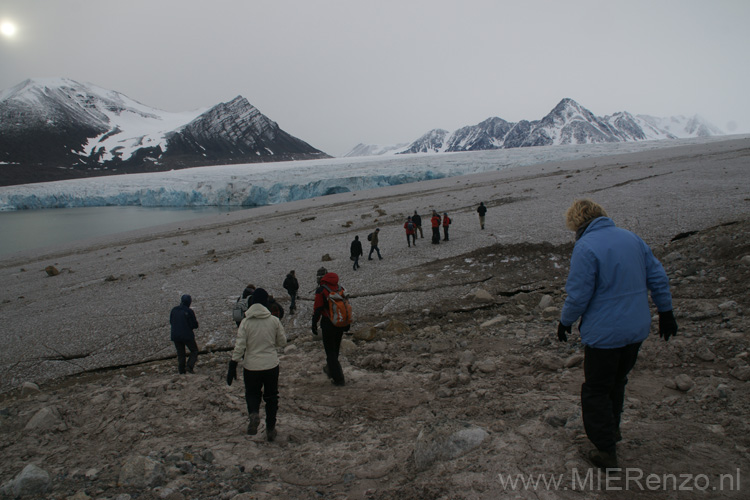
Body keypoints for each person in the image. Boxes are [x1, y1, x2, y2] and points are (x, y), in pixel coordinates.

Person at [557, 199, 677, 471]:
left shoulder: (585, 247)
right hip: (636, 330)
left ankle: (606, 450)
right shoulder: (632, 238)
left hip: (604, 333)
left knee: (596, 389)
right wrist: (666, 311)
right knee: (617, 381)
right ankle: (613, 431)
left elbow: (578, 295)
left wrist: (565, 321)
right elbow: (657, 276)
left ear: (576, 222)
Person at [227, 288, 287, 441]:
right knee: (272, 397)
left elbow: (240, 345)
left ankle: (254, 413)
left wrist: (233, 363)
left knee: (252, 393)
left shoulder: (246, 322)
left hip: (251, 365)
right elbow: (282, 342)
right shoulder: (273, 320)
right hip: (271, 365)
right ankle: (270, 428)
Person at [312, 272, 349, 386]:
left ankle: (338, 378)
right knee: (335, 349)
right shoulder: (340, 288)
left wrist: (314, 323)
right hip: (340, 322)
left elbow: (318, 309)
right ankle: (331, 370)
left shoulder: (322, 290)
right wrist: (347, 323)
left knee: (330, 351)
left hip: (328, 323)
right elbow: (346, 306)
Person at [169, 294, 199, 374]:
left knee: (181, 353)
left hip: (175, 335)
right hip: (187, 335)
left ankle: (181, 371)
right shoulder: (189, 311)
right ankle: (189, 366)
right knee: (194, 350)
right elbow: (194, 324)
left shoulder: (174, 310)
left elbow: (171, 321)